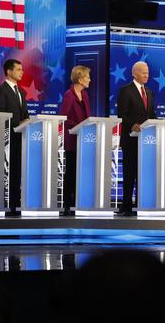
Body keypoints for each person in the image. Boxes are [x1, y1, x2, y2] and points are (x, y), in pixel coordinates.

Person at [116, 61, 156, 217]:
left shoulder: (150, 92)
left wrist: (158, 123)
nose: (147, 75)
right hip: (131, 140)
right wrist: (133, 124)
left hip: (146, 142)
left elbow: (151, 115)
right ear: (135, 73)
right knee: (129, 173)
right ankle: (126, 206)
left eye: (147, 72)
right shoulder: (126, 91)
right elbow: (122, 114)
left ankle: (142, 204)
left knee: (143, 174)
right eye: (143, 72)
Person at [0, 59, 29, 216]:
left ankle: (16, 204)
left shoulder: (21, 92)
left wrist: (27, 121)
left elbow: (24, 113)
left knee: (18, 172)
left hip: (21, 136)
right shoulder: (0, 90)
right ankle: (6, 205)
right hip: (8, 138)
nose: (22, 72)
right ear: (9, 71)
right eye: (19, 69)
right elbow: (1, 112)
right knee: (8, 171)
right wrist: (18, 123)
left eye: (22, 69)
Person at [59, 65, 91, 216]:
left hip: (84, 139)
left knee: (80, 172)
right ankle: (67, 204)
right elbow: (64, 117)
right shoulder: (69, 95)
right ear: (80, 78)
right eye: (87, 77)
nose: (90, 80)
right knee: (70, 172)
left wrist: (87, 126)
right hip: (72, 139)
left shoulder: (85, 95)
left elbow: (88, 117)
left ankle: (78, 202)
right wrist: (78, 127)